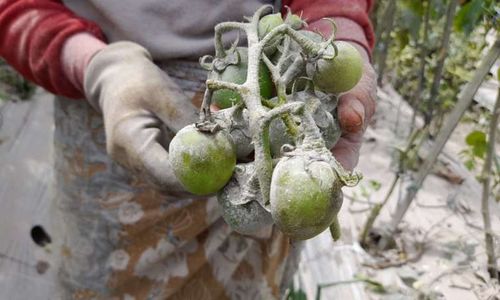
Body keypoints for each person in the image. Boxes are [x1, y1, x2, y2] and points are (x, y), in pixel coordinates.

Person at [0, 0, 376, 299]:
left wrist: (338, 28)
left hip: (266, 115)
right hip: (111, 108)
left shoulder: (282, 145)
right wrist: (93, 64)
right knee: (104, 283)